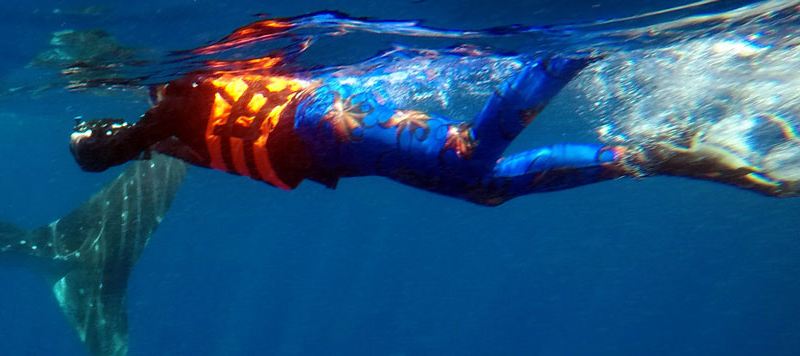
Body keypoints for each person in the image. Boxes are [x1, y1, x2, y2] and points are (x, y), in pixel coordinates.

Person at [68, 51, 798, 206]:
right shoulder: (173, 123)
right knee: (487, 190)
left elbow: (110, 151)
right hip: (335, 150)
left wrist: (106, 137)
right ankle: (658, 152)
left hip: (330, 122)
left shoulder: (180, 96)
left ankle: (564, 51)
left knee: (470, 157)